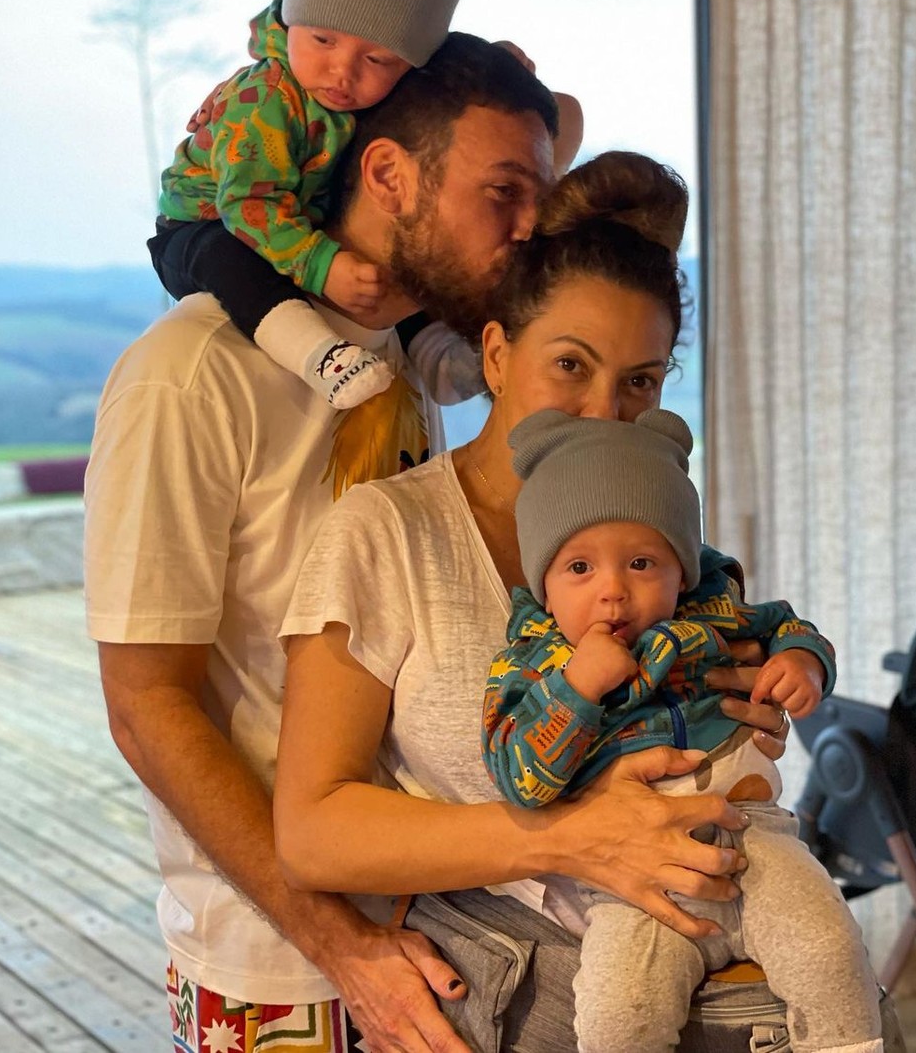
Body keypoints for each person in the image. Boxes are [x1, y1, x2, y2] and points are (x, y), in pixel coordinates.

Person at [273, 152, 843, 1052]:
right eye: (570, 364)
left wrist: (756, 699)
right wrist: (566, 836)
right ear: (497, 354)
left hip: (724, 965)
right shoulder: (389, 532)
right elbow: (312, 831)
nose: (603, 413)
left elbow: (746, 677)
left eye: (641, 382)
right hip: (527, 993)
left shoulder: (669, 544)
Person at [86, 33, 567, 1053]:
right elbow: (143, 704)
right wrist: (336, 941)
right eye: (504, 192)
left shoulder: (398, 351)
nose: (529, 231)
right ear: (389, 173)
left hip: (440, 924)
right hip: (276, 959)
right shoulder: (191, 371)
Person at [481, 405, 884, 1053]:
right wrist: (578, 689)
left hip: (758, 843)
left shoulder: (718, 614)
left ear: (682, 570)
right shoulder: (531, 665)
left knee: (830, 951)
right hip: (637, 883)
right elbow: (517, 775)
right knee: (617, 1015)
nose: (613, 591)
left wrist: (801, 661)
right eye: (580, 568)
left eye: (642, 563)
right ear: (545, 587)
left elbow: (788, 625)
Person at [150, 0, 583, 412]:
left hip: (299, 209)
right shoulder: (264, 105)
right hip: (210, 221)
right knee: (234, 264)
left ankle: (434, 351)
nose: (343, 74)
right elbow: (249, 205)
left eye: (378, 57)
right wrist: (319, 264)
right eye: (322, 39)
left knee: (422, 243)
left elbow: (543, 116)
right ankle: (316, 353)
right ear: (293, 18)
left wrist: (494, 68)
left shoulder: (369, 97)